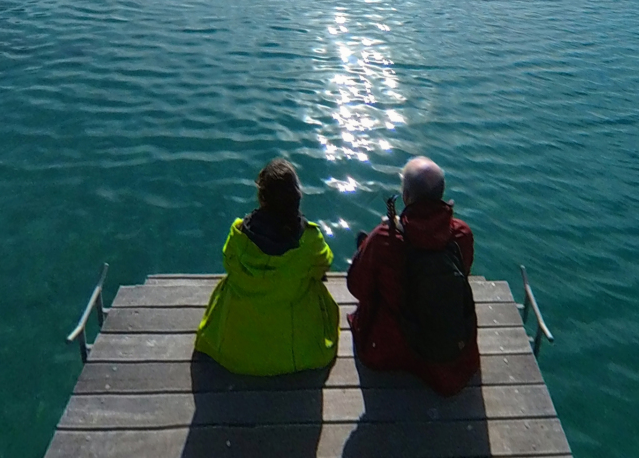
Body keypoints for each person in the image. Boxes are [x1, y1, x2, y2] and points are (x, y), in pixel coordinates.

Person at [193, 158, 340, 375]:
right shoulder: (309, 239)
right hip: (293, 353)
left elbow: (228, 262)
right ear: (296, 197)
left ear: (262, 197)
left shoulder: (238, 234)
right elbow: (324, 264)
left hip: (234, 351)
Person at [346, 156, 478, 396]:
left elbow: (357, 287)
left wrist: (374, 242)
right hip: (450, 349)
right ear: (441, 193)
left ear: (406, 196)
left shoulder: (385, 238)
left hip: (390, 349)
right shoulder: (462, 234)